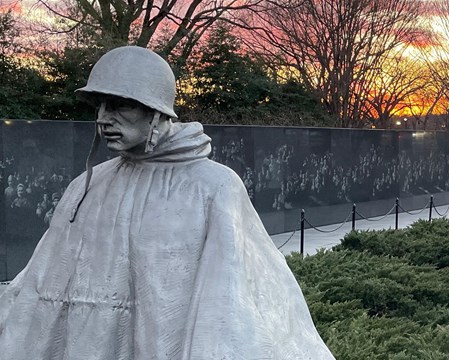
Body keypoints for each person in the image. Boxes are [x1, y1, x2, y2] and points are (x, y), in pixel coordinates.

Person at [0, 46, 335, 360]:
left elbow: (234, 306)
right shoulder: (86, 185)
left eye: (120, 105)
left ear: (156, 113)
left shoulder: (213, 186)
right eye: (100, 105)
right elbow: (38, 286)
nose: (103, 118)